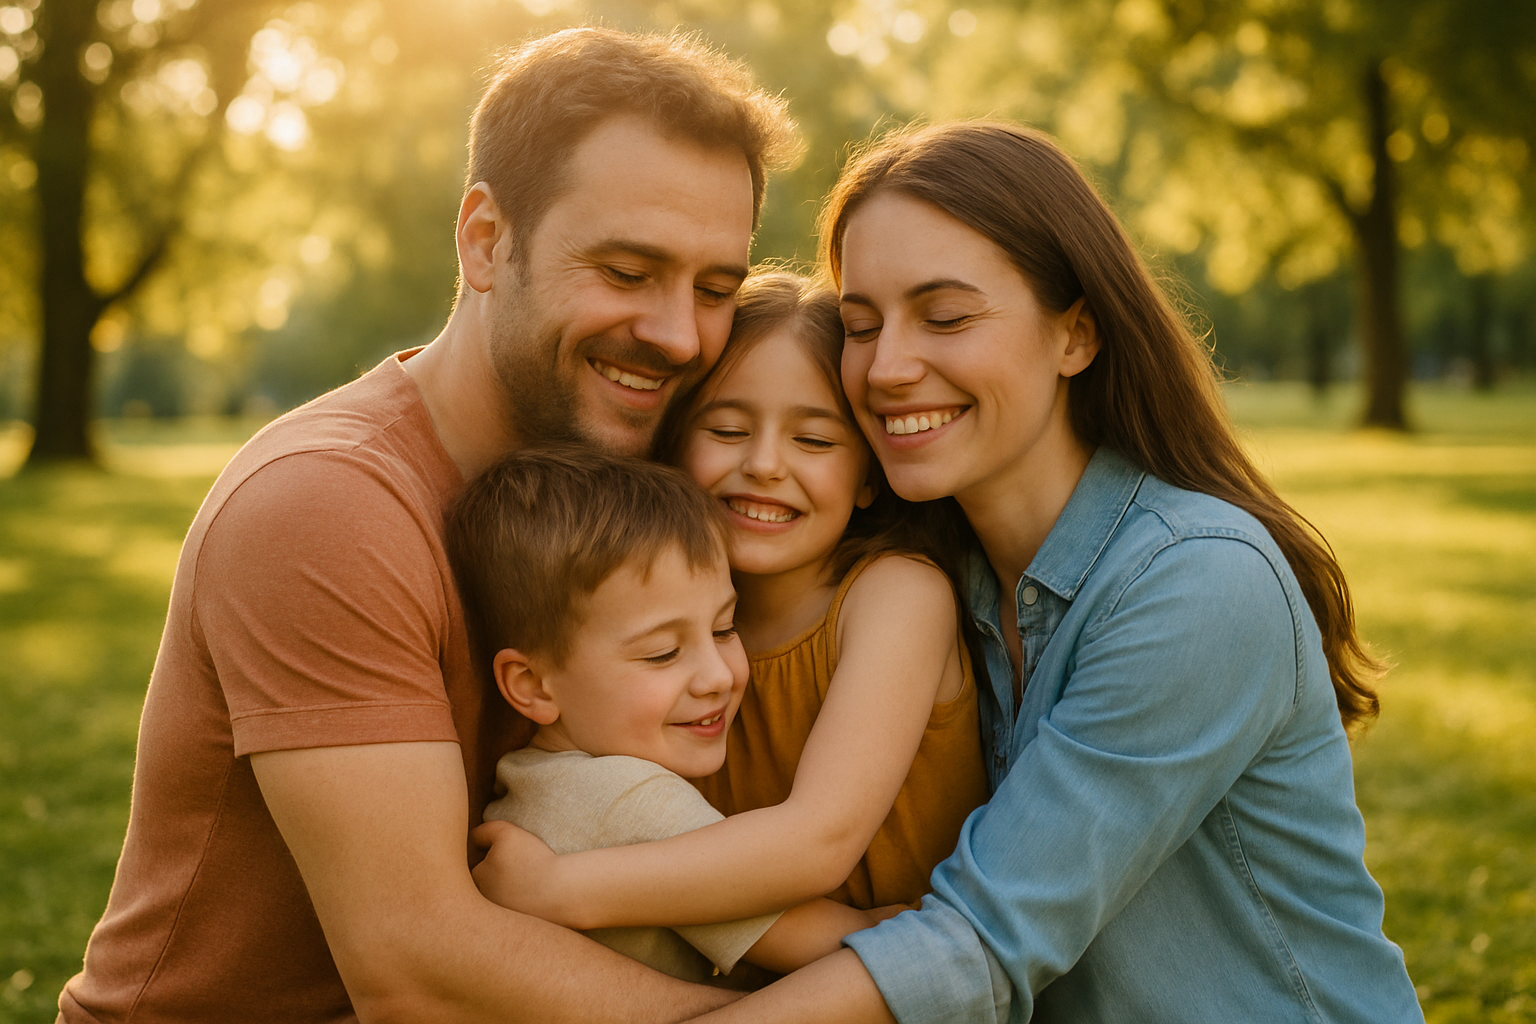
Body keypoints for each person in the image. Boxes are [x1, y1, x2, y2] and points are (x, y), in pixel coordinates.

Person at [59, 27, 798, 1023]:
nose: (678, 334)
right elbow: (415, 968)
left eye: (716, 288)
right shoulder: (327, 505)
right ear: (486, 240)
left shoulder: (638, 483)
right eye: (628, 271)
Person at [683, 123, 1426, 1023]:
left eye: (946, 317)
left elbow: (980, 943)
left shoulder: (1196, 582)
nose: (887, 368)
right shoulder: (921, 575)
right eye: (862, 326)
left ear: (1076, 334)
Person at [470, 273, 988, 935]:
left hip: (901, 971)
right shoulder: (670, 628)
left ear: (868, 476)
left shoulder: (896, 595)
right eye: (727, 429)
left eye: (816, 441)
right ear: (677, 444)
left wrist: (561, 889)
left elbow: (819, 842)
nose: (766, 465)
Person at [448, 446, 886, 987]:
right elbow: (839, 948)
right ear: (533, 686)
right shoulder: (626, 799)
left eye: (725, 628)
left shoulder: (530, 781)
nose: (718, 676)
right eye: (661, 654)